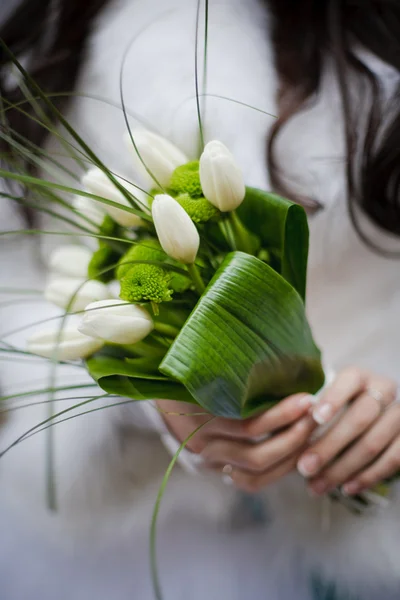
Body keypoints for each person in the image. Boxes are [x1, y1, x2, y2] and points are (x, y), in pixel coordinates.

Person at [0, 1, 400, 599]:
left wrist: (384, 420)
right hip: (138, 557)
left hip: (365, 536)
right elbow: (16, 310)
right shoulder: (48, 50)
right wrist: (153, 401)